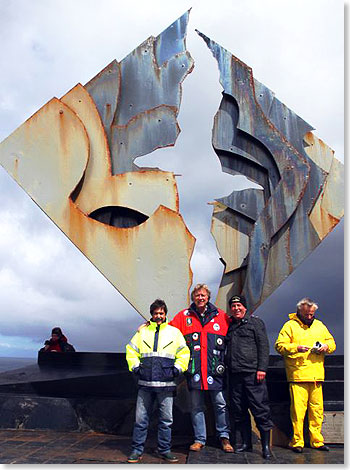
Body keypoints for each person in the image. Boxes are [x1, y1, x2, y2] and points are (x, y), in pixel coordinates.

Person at [169, 283, 233, 453]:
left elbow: (236, 330)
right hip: (195, 372)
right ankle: (199, 439)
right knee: (196, 407)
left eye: (203, 295)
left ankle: (224, 438)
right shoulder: (184, 316)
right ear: (193, 298)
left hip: (215, 372)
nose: (200, 298)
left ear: (208, 297)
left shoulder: (221, 316)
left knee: (220, 404)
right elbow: (168, 331)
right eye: (197, 295)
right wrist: (149, 325)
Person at [126, 299, 190, 463]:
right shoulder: (142, 332)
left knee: (166, 421)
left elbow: (184, 352)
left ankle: (164, 450)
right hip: (145, 385)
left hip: (166, 385)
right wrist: (136, 368)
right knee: (140, 420)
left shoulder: (174, 333)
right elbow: (131, 350)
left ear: (165, 314)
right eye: (156, 313)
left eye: (161, 313)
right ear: (152, 315)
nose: (159, 315)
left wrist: (177, 369)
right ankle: (136, 450)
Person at [275, 297, 336, 453]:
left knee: (317, 411)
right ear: (299, 311)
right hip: (298, 375)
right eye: (307, 314)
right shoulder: (289, 326)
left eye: (312, 314)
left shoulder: (320, 326)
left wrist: (325, 346)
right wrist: (296, 347)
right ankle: (297, 442)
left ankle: (317, 441)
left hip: (316, 376)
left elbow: (332, 344)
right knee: (298, 411)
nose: (309, 317)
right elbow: (279, 345)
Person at [225, 294, 273, 459]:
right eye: (233, 306)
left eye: (239, 306)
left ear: (245, 308)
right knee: (239, 411)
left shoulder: (256, 323)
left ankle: (266, 446)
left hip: (253, 375)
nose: (236, 309)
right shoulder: (230, 326)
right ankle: (246, 443)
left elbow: (263, 346)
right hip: (235, 375)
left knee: (260, 409)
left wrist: (262, 368)